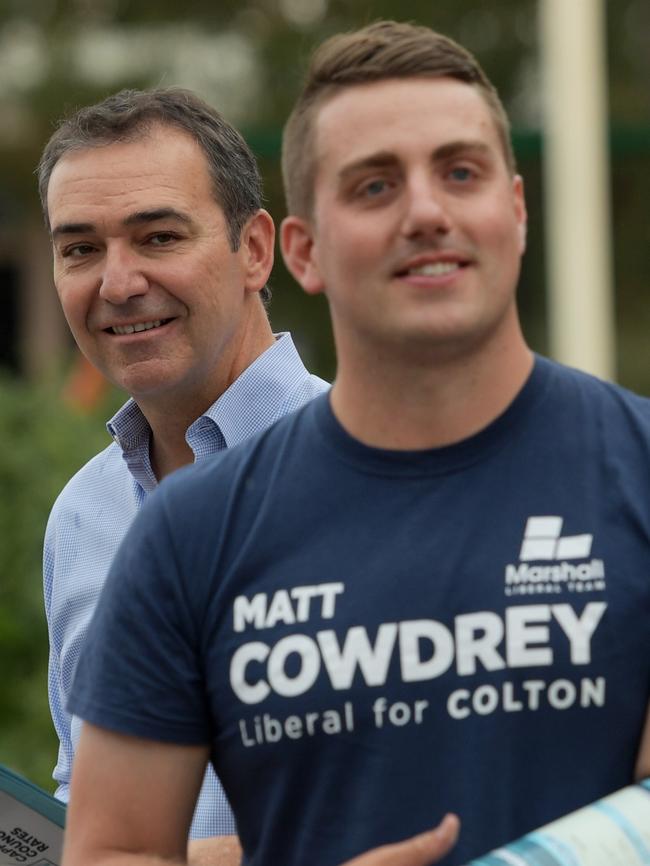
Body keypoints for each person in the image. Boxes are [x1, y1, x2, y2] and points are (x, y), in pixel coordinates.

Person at [61, 20, 650, 866]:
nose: (425, 211)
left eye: (461, 172)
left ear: (515, 210)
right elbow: (110, 852)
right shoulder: (185, 535)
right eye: (373, 187)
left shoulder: (638, 471)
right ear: (302, 251)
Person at [39, 87, 328, 865]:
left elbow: (431, 799)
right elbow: (84, 794)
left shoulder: (377, 473)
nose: (118, 282)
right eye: (80, 249)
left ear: (255, 250)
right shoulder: (82, 515)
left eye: (158, 236)